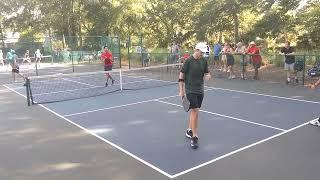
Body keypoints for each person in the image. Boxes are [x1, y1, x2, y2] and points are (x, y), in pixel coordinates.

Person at [178, 42, 211, 149]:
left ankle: (189, 130)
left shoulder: (204, 61)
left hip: (200, 90)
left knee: (194, 112)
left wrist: (208, 75)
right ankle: (194, 137)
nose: (202, 54)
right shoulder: (188, 61)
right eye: (201, 52)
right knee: (195, 111)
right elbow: (181, 75)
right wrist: (181, 91)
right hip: (190, 89)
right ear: (197, 50)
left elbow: (207, 72)